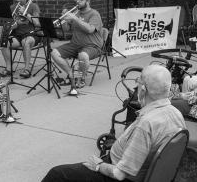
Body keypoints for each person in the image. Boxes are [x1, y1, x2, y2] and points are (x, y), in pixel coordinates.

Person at [42, 64, 186, 182]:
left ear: (143, 90)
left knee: (57, 174)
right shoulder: (176, 114)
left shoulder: (146, 124)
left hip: (118, 175)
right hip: (146, 172)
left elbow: (119, 174)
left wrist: (99, 165)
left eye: (138, 81)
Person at [51, 0, 103, 94]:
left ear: (88, 1)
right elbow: (66, 30)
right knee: (54, 53)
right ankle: (71, 74)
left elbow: (90, 30)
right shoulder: (77, 13)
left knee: (83, 55)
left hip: (92, 45)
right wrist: (65, 19)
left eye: (81, 0)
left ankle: (81, 78)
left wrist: (75, 18)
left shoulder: (94, 14)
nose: (77, 1)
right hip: (75, 44)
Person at [1, 0, 41, 79]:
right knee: (4, 42)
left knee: (26, 42)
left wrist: (26, 13)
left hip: (32, 34)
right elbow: (9, 24)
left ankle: (27, 69)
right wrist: (13, 25)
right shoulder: (12, 7)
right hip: (17, 35)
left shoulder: (33, 6)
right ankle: (9, 68)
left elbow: (37, 23)